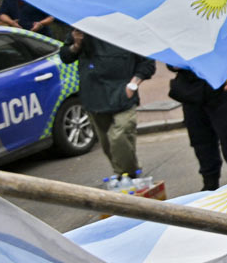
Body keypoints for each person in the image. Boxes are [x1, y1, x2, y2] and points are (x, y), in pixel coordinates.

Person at [58, 30, 156, 176]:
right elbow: (66, 56)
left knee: (120, 135)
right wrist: (77, 44)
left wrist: (133, 84)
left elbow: (147, 62)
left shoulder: (127, 26)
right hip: (94, 94)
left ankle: (128, 174)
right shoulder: (83, 25)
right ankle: (124, 174)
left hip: (122, 92)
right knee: (107, 143)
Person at [168, 66, 227, 191]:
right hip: (192, 92)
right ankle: (210, 184)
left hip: (223, 87)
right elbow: (171, 62)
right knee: (201, 142)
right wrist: (176, 64)